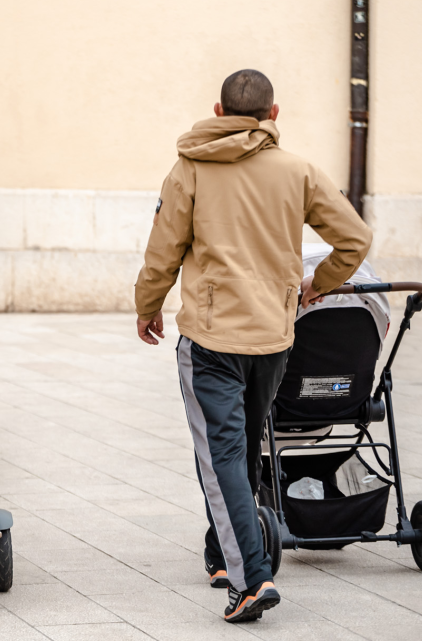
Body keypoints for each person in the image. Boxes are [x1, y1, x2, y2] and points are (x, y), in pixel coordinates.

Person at [133, 70, 373, 623]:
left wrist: (148, 305)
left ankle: (250, 579)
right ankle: (224, 555)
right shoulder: (299, 170)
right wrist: (319, 284)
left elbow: (162, 249)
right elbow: (355, 239)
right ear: (274, 112)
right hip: (274, 336)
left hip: (211, 338)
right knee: (240, 446)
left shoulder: (190, 168)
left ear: (218, 108)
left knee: (222, 458)